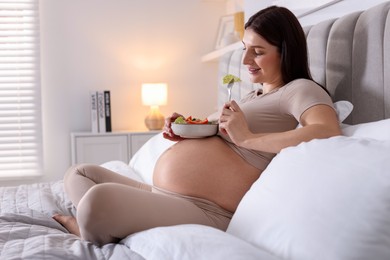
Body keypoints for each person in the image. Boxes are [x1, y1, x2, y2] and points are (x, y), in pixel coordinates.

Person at [53, 6, 341, 246]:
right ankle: (115, 222)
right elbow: (218, 142)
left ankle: (89, 230)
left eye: (257, 51)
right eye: (244, 49)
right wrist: (185, 129)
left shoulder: (299, 89)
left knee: (94, 202)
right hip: (163, 193)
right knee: (79, 173)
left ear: (285, 51)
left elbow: (326, 131)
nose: (245, 60)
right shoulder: (252, 95)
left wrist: (248, 138)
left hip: (207, 209)